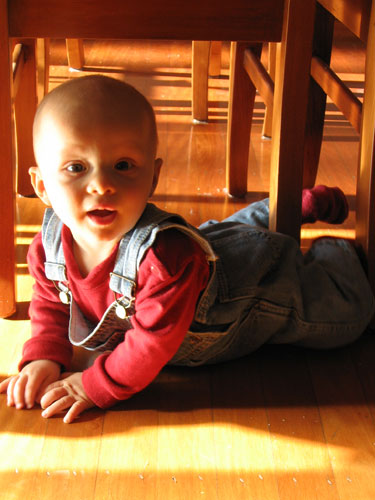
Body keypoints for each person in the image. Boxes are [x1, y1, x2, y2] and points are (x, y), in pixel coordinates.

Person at [1, 75, 373, 424]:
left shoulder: (164, 260)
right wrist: (45, 355)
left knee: (346, 314)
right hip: (207, 251)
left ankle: (337, 255)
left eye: (123, 165)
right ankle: (297, 205)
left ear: (154, 176)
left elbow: (150, 343)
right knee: (224, 234)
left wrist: (93, 384)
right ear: (42, 185)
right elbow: (50, 304)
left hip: (246, 293)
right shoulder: (47, 247)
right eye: (77, 167)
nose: (101, 184)